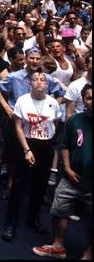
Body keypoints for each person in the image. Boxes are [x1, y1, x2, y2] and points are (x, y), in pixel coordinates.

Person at [32, 84, 91, 259]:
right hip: (70, 177)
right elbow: (64, 146)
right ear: (84, 100)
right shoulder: (75, 120)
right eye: (89, 98)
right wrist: (66, 167)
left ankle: (90, 250)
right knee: (59, 211)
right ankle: (58, 245)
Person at [3, 70, 62, 242]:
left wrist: (48, 141)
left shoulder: (53, 103)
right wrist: (27, 149)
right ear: (30, 83)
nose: (38, 82)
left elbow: (55, 123)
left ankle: (32, 218)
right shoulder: (23, 100)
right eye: (35, 79)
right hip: (27, 144)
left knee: (40, 185)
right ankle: (10, 222)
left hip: (46, 146)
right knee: (19, 185)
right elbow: (19, 126)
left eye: (42, 80)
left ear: (47, 84)